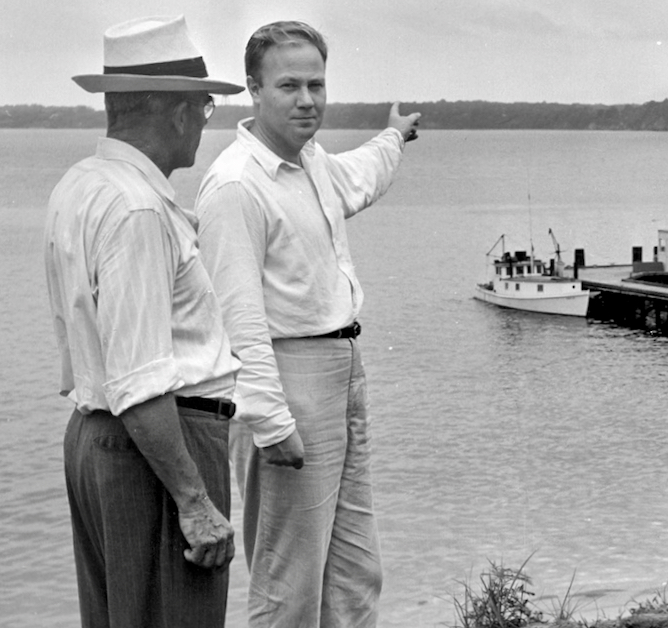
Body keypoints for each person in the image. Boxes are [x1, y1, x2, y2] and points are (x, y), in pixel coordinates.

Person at [196, 20, 420, 627]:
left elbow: (360, 176)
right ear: (253, 89)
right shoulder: (237, 187)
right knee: (288, 581)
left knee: (354, 570)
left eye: (317, 84)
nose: (307, 99)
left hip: (343, 370)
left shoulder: (311, 163)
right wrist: (271, 422)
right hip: (287, 382)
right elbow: (237, 320)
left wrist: (394, 138)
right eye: (289, 85)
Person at [43, 16, 245, 628]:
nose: (204, 125)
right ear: (176, 111)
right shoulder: (137, 209)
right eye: (205, 107)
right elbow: (139, 378)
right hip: (157, 447)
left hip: (97, 439)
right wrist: (194, 501)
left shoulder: (82, 185)